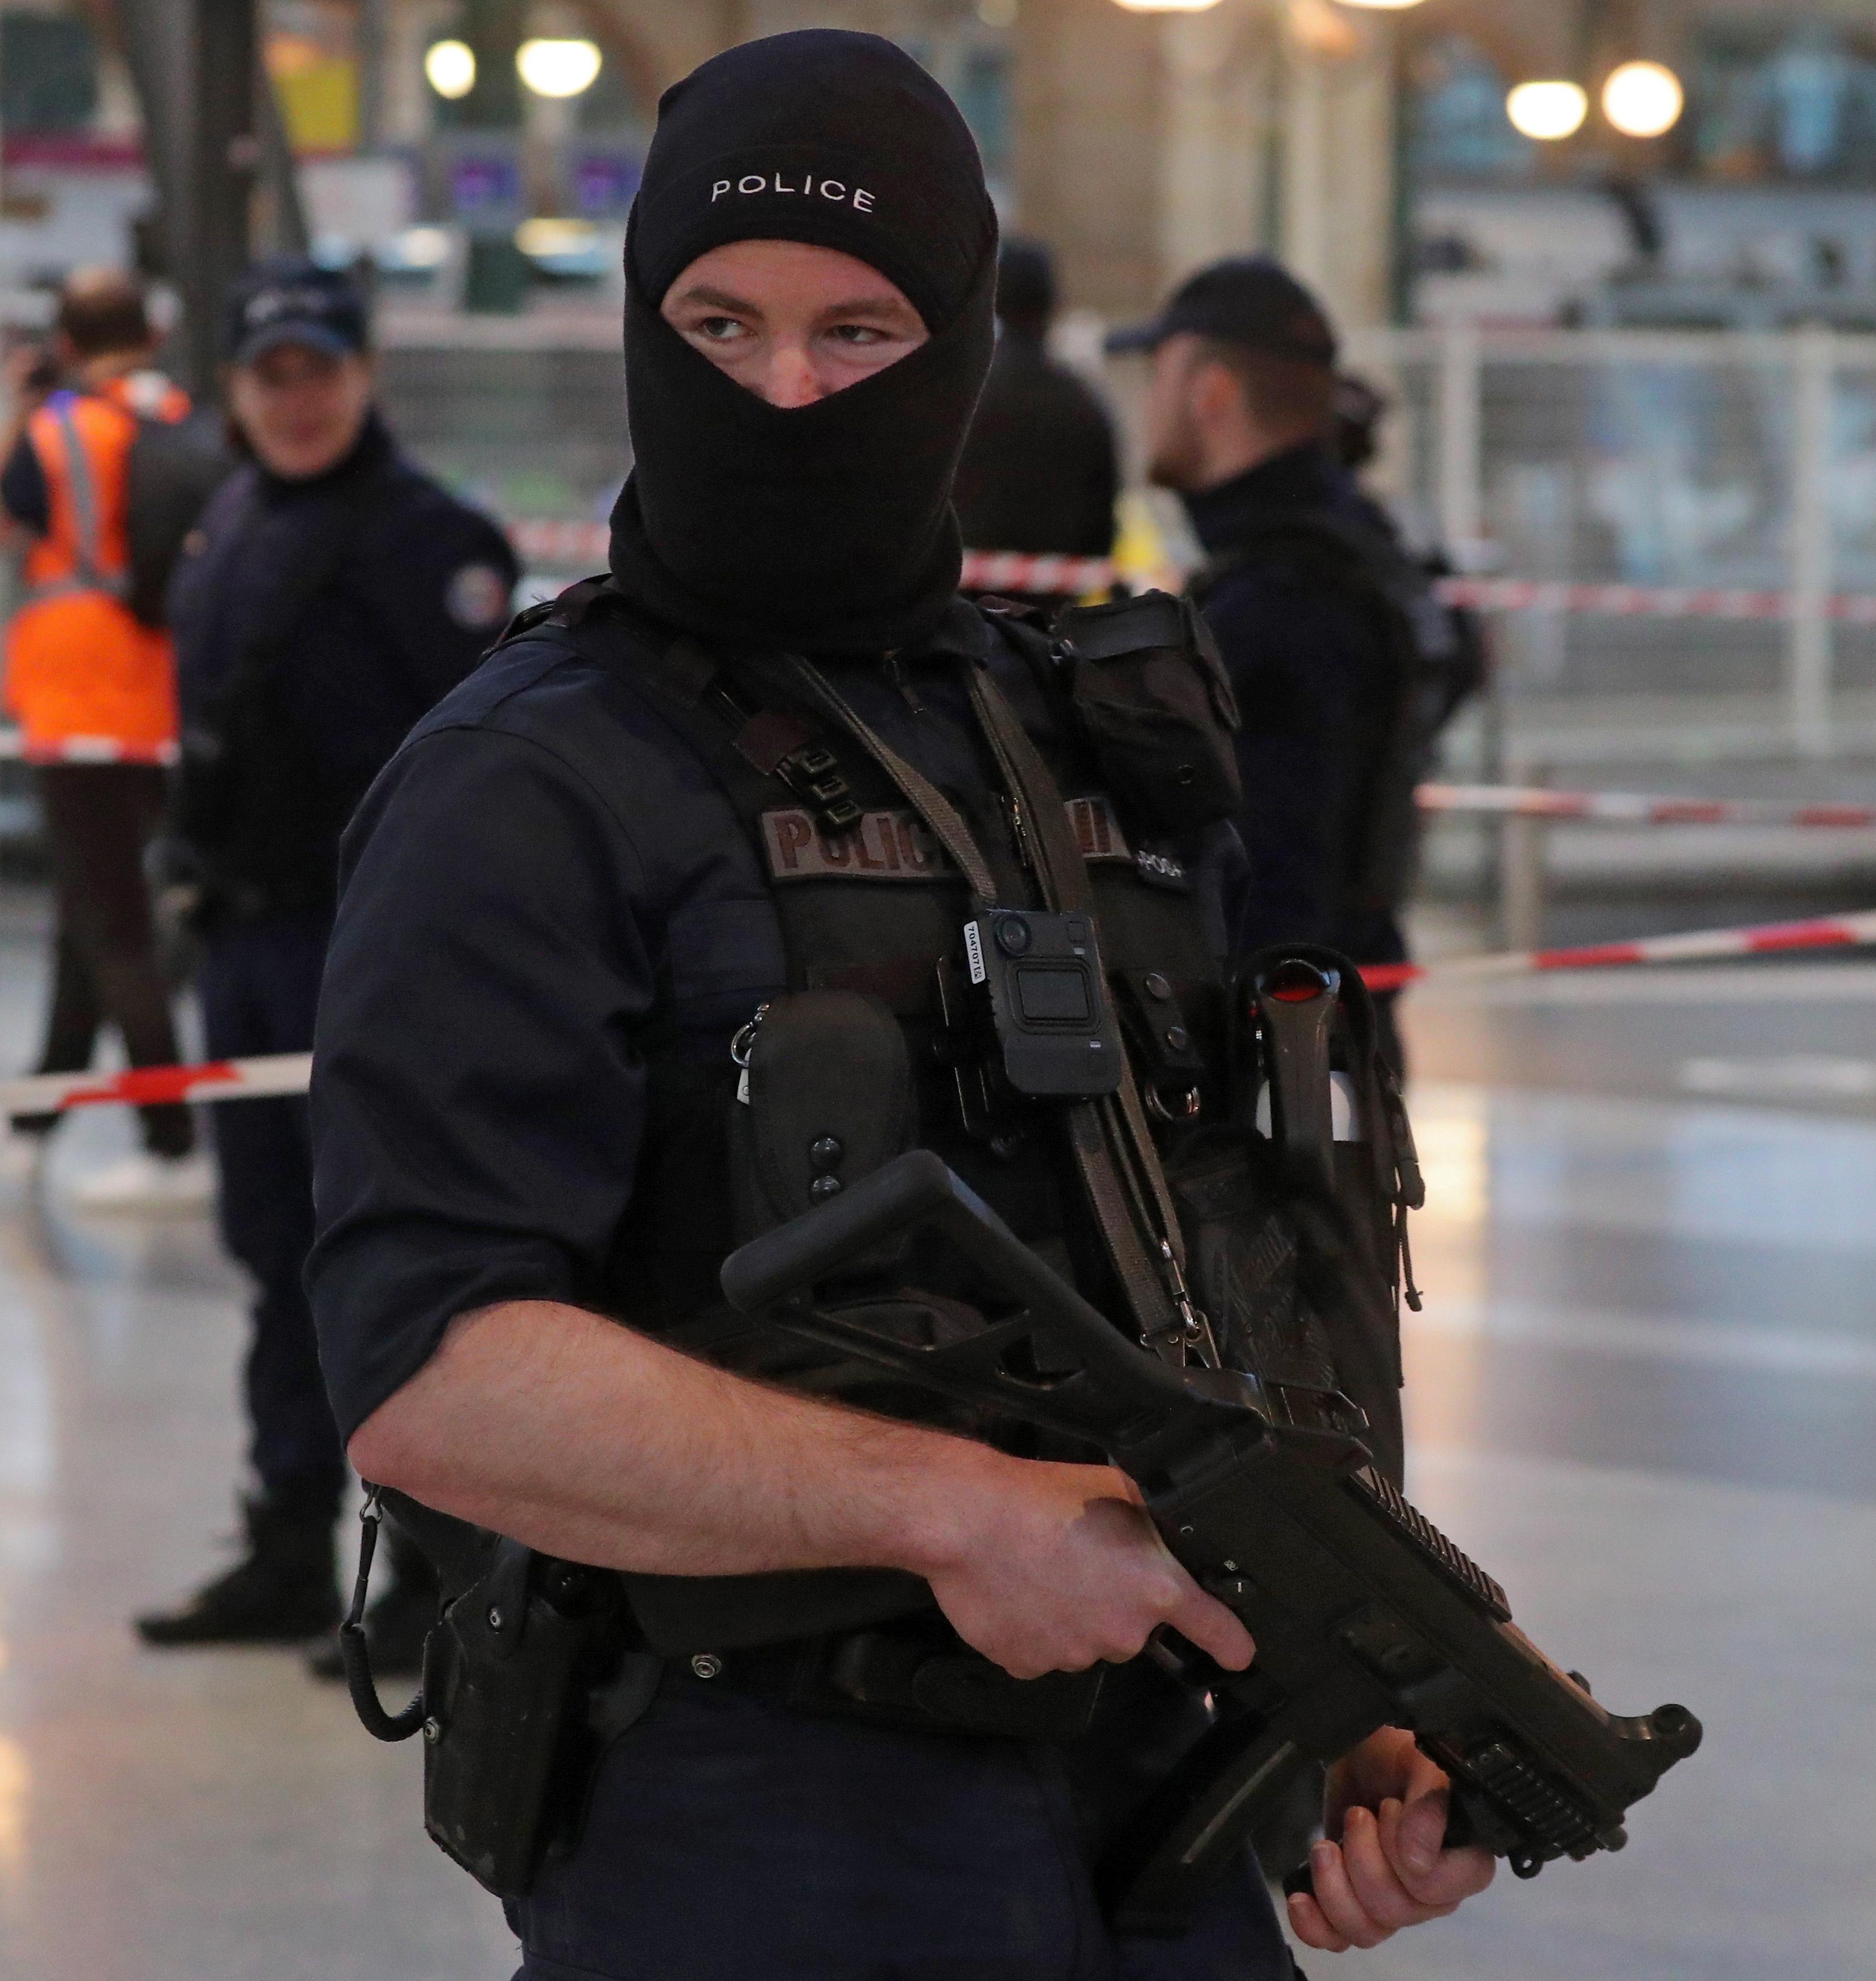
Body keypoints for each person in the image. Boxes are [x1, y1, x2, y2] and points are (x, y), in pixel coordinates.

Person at [308, 31, 1492, 1976]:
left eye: (855, 333)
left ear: (953, 351)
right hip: (751, 1807)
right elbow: (433, 1370)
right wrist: (953, 1512)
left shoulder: (1074, 737)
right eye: (717, 320)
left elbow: (1202, 1259)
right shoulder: (525, 781)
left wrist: (1347, 1679)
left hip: (1158, 1783)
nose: (780, 389)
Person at [132, 258, 519, 1657]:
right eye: (270, 375)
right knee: (270, 1250)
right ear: (237, 390)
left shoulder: (431, 541)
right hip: (248, 942)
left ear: (363, 377)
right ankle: (290, 1537)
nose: (296, 399)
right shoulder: (233, 519)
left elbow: (478, 772)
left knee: (389, 1262)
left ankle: (435, 1563)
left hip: (369, 962)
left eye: (319, 371)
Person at [1116, 260, 1466, 994]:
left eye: (1160, 376)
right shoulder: (1366, 546)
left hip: (1284, 1048)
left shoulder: (1279, 599)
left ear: (1210, 391)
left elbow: (1270, 886)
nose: (1149, 404)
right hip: (1345, 1021)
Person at [0, 268, 202, 1209]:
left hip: (79, 698)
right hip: (162, 698)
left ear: (62, 343)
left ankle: (171, 1138)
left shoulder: (60, 430)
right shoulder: (180, 416)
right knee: (87, 920)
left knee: (117, 928)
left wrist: (20, 411)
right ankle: (34, 1121)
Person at [952, 237, 1121, 595]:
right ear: (1053, 304)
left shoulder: (961, 394)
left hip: (964, 615)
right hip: (1054, 625)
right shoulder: (1084, 403)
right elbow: (1103, 523)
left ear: (993, 298)